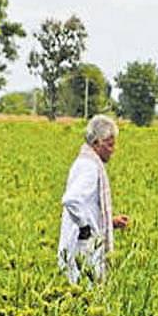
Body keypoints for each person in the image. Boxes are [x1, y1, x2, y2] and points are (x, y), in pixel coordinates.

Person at [58, 114, 130, 284]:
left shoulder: (85, 161)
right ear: (96, 143)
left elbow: (85, 205)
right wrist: (85, 228)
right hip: (81, 250)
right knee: (84, 298)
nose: (113, 150)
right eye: (110, 145)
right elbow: (71, 200)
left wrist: (109, 222)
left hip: (81, 249)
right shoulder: (89, 167)